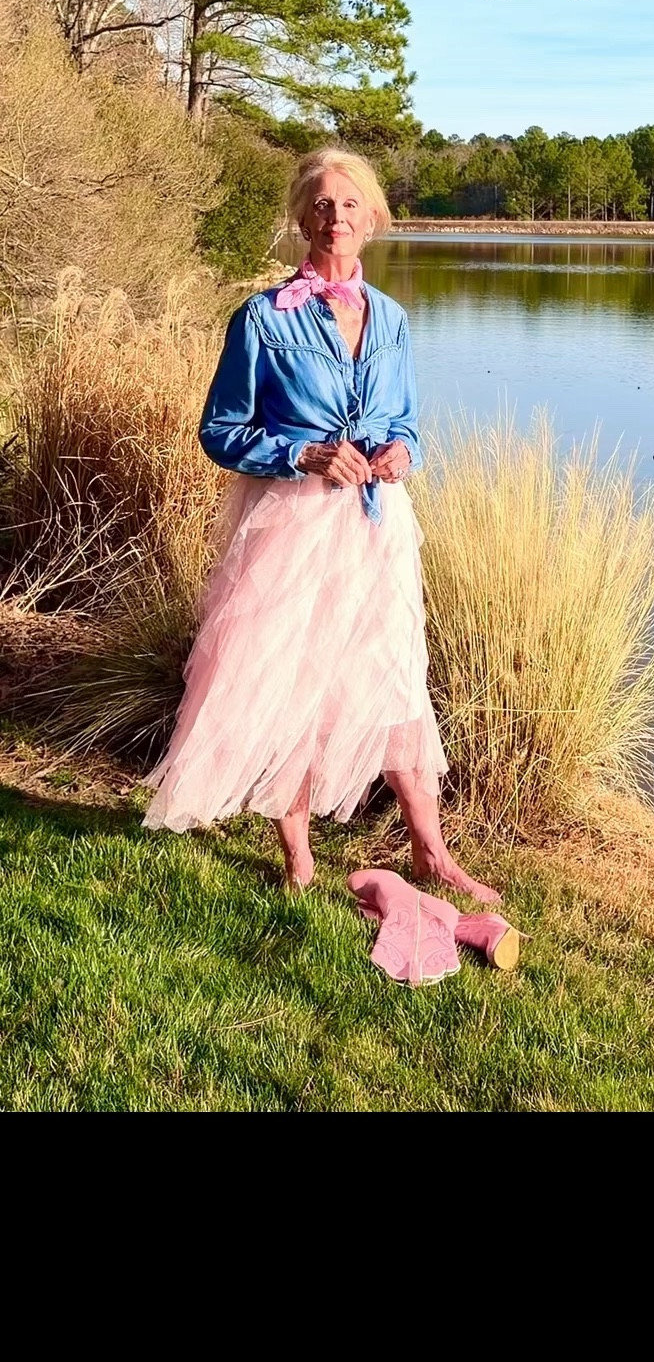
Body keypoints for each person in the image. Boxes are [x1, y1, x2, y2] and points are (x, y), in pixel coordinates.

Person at [143, 146, 498, 904]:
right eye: (323, 205)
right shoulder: (263, 318)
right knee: (294, 684)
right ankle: (298, 857)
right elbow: (220, 431)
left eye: (351, 204)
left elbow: (407, 421)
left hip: (378, 527)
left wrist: (404, 451)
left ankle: (432, 852)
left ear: (373, 219)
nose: (337, 217)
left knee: (394, 677)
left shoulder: (393, 319)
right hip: (293, 528)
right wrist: (303, 454)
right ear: (304, 220)